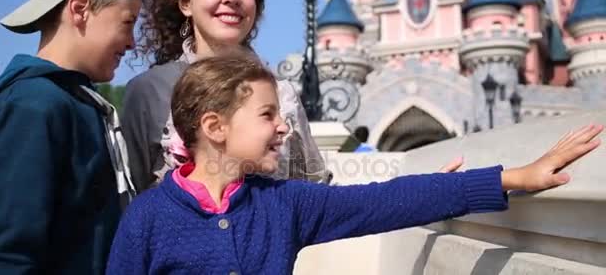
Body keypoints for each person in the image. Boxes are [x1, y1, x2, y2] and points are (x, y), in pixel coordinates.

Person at [107, 55, 603, 274]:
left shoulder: (285, 204)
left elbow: (389, 200)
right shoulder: (147, 221)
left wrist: (515, 177)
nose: (283, 127)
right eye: (266, 115)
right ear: (215, 128)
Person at [121, 0, 331, 193]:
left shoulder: (283, 93)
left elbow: (313, 192)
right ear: (185, 2)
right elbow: (135, 198)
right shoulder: (149, 92)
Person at [0, 0, 140, 274]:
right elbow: (10, 253)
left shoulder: (77, 103)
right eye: (127, 22)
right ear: (79, 9)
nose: (133, 42)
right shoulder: (33, 105)